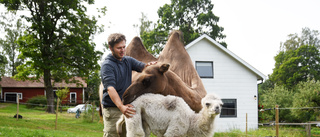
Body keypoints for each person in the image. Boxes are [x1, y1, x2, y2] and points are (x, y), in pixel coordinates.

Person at [100, 33, 156, 137]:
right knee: (112, 135)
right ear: (110, 48)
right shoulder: (107, 65)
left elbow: (143, 67)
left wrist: (150, 66)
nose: (122, 50)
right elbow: (110, 89)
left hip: (126, 107)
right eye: (119, 48)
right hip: (113, 109)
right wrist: (121, 106)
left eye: (124, 47)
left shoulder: (127, 60)